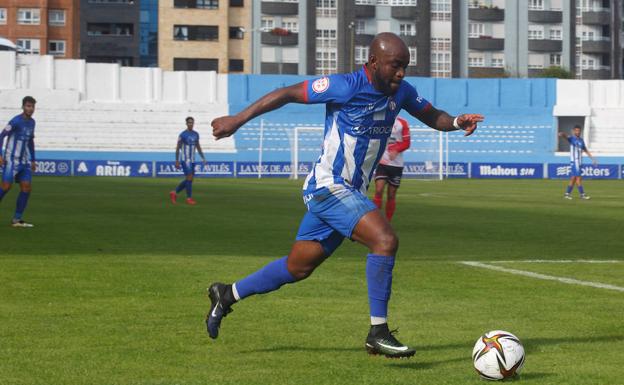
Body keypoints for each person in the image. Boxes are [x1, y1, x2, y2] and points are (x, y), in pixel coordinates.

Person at [207, 33, 484, 358]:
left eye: (405, 67)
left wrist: (454, 121)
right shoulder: (345, 86)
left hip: (348, 192)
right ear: (373, 63)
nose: (401, 74)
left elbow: (431, 114)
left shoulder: (402, 92)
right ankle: (377, 332)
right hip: (328, 185)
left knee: (298, 267)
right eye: (395, 66)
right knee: (384, 241)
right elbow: (287, 93)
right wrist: (237, 121)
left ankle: (227, 294)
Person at [0, 96, 37, 227]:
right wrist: (0, 155)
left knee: (26, 188)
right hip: (11, 161)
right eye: (28, 106)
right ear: (23, 107)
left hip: (25, 161)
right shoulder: (15, 121)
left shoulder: (32, 122)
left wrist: (33, 159)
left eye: (32, 106)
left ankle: (17, 220)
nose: (30, 109)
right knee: (6, 187)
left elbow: (31, 141)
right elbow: (1, 136)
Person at [373, 116, 410, 221]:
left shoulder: (402, 122)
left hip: (397, 165)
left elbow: (407, 142)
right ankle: (376, 220)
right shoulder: (381, 120)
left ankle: (388, 222)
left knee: (391, 195)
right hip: (383, 162)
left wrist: (397, 150)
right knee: (379, 190)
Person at [170, 116, 206, 205]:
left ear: (193, 123)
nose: (191, 124)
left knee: (189, 179)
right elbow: (178, 148)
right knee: (189, 177)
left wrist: (202, 157)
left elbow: (198, 146)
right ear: (186, 124)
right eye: (189, 122)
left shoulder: (196, 134)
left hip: (192, 160)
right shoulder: (182, 134)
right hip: (185, 159)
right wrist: (177, 160)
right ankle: (189, 198)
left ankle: (174, 192)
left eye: (192, 122)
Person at [558, 125, 596, 200]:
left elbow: (585, 150)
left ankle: (567, 194)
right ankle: (582, 195)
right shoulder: (572, 139)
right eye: (576, 130)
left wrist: (592, 158)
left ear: (580, 131)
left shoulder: (581, 141)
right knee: (578, 178)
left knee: (573, 178)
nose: (577, 132)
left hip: (579, 162)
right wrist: (562, 134)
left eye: (578, 131)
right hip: (574, 161)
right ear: (573, 131)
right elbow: (566, 136)